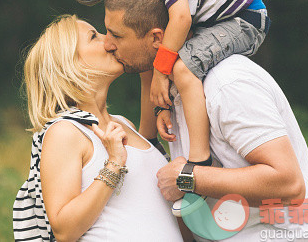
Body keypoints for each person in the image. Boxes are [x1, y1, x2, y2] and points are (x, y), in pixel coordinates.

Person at [103, 0, 308, 241]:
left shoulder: (228, 83)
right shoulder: (179, 93)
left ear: (157, 38)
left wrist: (187, 177)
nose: (107, 44)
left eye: (116, 34)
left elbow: (289, 184)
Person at [63, 0, 270, 168]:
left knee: (182, 67)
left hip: (243, 19)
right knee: (154, 60)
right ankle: (149, 139)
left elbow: (181, 18)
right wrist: (161, 101)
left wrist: (162, 73)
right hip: (215, 21)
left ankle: (200, 160)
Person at [13, 15, 182, 241]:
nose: (109, 41)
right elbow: (64, 230)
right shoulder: (65, 132)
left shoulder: (124, 124)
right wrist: (113, 164)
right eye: (94, 36)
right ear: (69, 64)